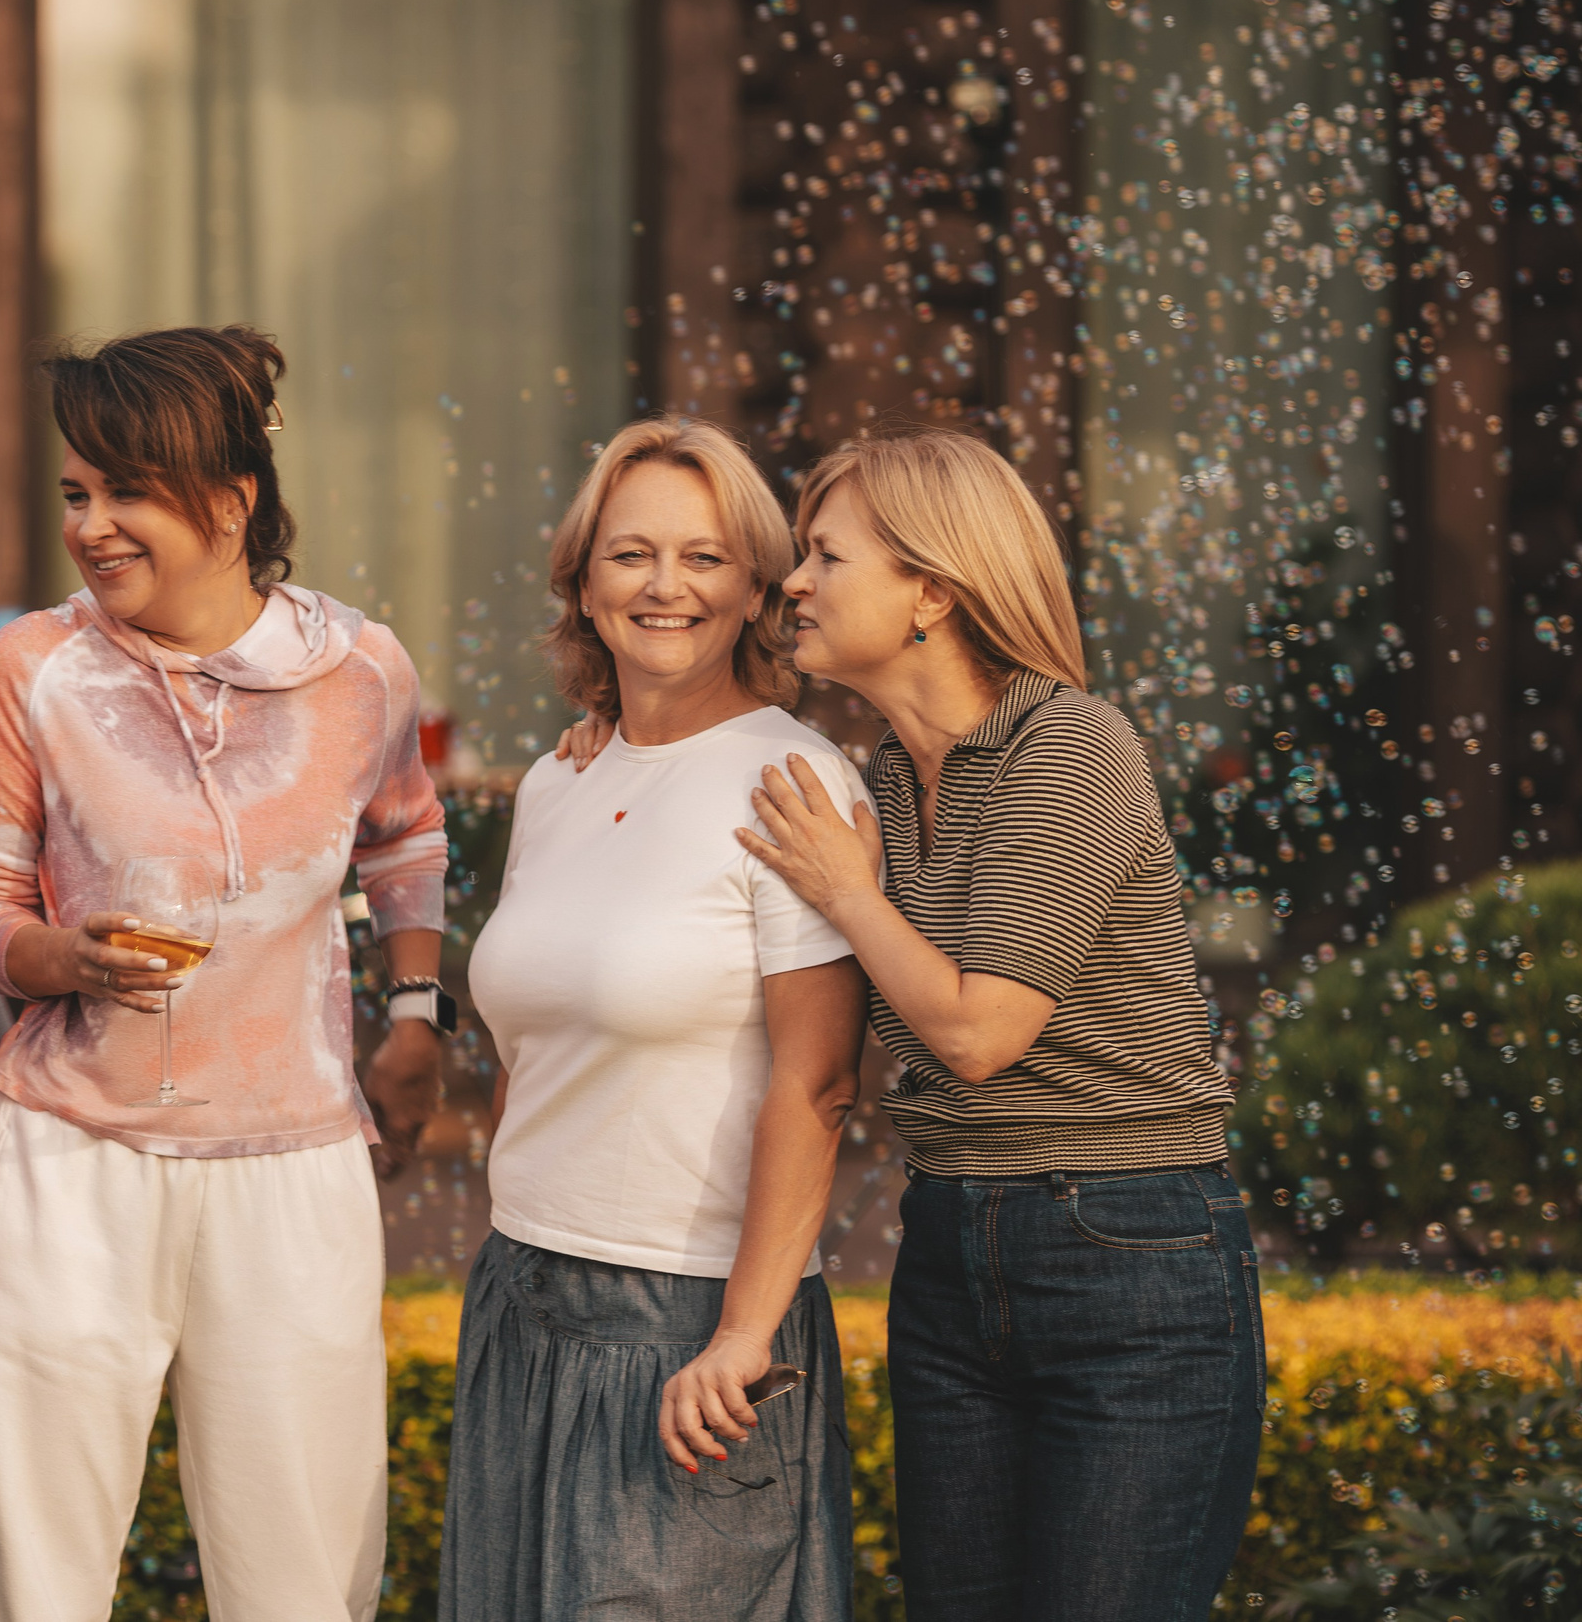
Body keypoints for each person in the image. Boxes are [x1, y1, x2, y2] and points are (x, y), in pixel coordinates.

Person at [0, 324, 450, 1622]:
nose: (92, 525)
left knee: (303, 1575)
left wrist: (415, 1014)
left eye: (126, 492)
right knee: (22, 1577)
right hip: (70, 1159)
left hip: (295, 1161)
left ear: (230, 501)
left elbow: (407, 836)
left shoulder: (362, 670)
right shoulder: (29, 671)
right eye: (75, 493)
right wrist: (58, 955)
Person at [732, 429, 1257, 1620]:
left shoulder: (1069, 743)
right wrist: (601, 741)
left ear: (931, 590)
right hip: (949, 1249)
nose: (793, 582)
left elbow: (977, 1036)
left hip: (1127, 1254)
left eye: (824, 555)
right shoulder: (871, 778)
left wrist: (850, 896)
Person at [444, 417, 869, 1621]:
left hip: (691, 1318)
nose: (664, 585)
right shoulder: (557, 779)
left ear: (753, 588)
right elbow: (529, 1039)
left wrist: (743, 1334)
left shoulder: (791, 782)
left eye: (703, 556)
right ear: (583, 583)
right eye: (629, 554)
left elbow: (821, 1083)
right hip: (520, 1294)